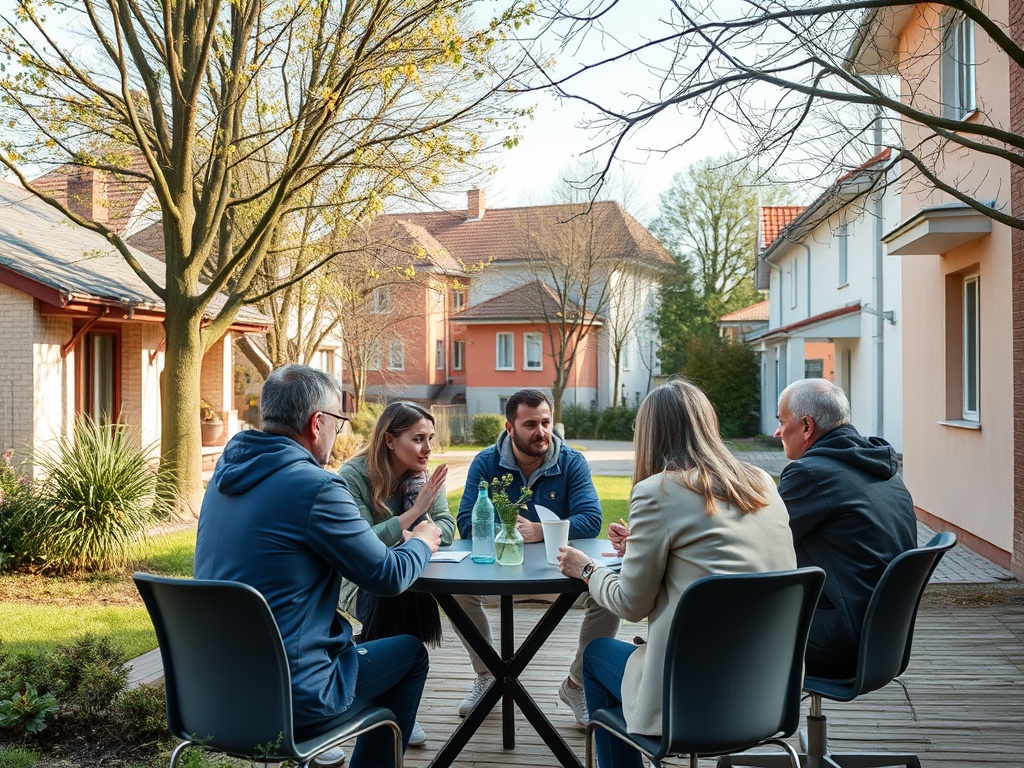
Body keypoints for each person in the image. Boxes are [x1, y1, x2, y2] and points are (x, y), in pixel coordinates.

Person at [194, 365, 441, 768]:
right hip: (292, 698)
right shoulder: (317, 487)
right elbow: (387, 576)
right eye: (338, 424)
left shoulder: (222, 480)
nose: (336, 435)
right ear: (316, 423)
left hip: (211, 695)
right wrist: (425, 543)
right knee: (410, 654)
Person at [557, 379, 797, 768]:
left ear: (649, 434)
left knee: (597, 654)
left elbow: (630, 605)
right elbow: (718, 550)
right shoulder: (762, 482)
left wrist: (585, 568)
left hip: (689, 696)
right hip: (767, 689)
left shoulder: (657, 492)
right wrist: (644, 545)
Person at [454, 389, 620, 728]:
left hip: (559, 574)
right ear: (509, 427)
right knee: (456, 594)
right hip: (501, 573)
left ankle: (577, 684)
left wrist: (541, 531)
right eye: (530, 424)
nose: (541, 431)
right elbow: (465, 521)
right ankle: (488, 675)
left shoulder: (571, 461)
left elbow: (592, 518)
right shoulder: (486, 462)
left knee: (608, 594)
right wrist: (507, 528)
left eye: (545, 422)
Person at [774, 378, 917, 678]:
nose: (777, 432)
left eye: (782, 421)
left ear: (806, 426)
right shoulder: (883, 468)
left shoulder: (810, 473)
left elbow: (762, 537)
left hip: (838, 639)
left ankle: (740, 723)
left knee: (722, 624)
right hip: (885, 639)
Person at [337, 401, 455, 746]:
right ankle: (387, 708)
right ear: (390, 440)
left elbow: (446, 529)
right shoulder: (353, 477)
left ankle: (395, 705)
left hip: (413, 574)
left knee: (403, 588)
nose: (428, 448)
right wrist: (416, 515)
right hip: (359, 581)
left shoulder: (423, 477)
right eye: (418, 438)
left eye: (430, 438)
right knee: (390, 590)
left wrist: (415, 532)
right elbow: (361, 543)